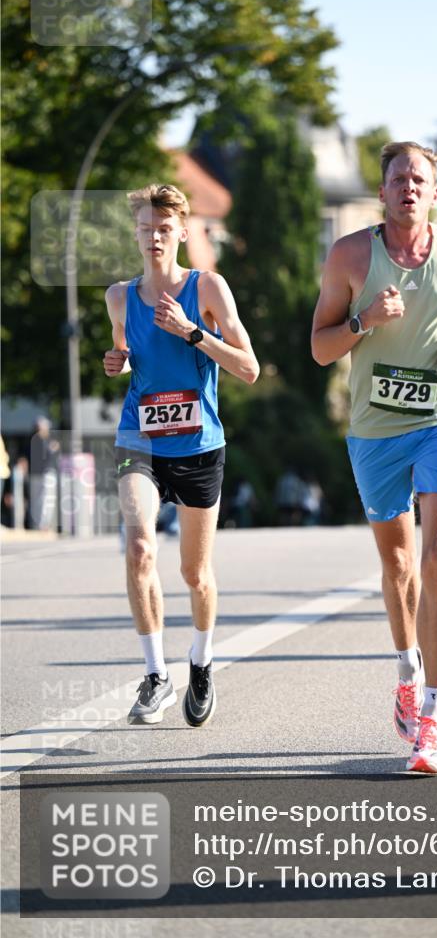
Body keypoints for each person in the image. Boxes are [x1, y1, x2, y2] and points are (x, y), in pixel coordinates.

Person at [311, 141, 437, 774]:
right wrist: (364, 320)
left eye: (420, 179)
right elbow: (318, 347)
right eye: (398, 179)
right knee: (398, 567)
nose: (409, 188)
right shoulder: (350, 255)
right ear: (382, 192)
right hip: (374, 432)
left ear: (435, 193)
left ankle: (434, 723)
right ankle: (407, 669)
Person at [104, 183, 259, 727]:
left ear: (182, 234)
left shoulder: (208, 287)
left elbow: (248, 367)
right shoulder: (119, 296)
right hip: (139, 438)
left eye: (164, 230)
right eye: (145, 229)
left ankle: (201, 661)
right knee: (141, 546)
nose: (154, 238)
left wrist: (194, 333)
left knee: (195, 574)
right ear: (137, 234)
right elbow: (127, 353)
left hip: (198, 444)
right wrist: (117, 362)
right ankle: (155, 675)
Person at [28, 417, 60, 531]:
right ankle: (41, 524)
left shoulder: (44, 440)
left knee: (44, 499)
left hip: (44, 473)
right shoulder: (40, 441)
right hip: (43, 473)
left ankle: (42, 524)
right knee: (43, 499)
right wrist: (52, 449)